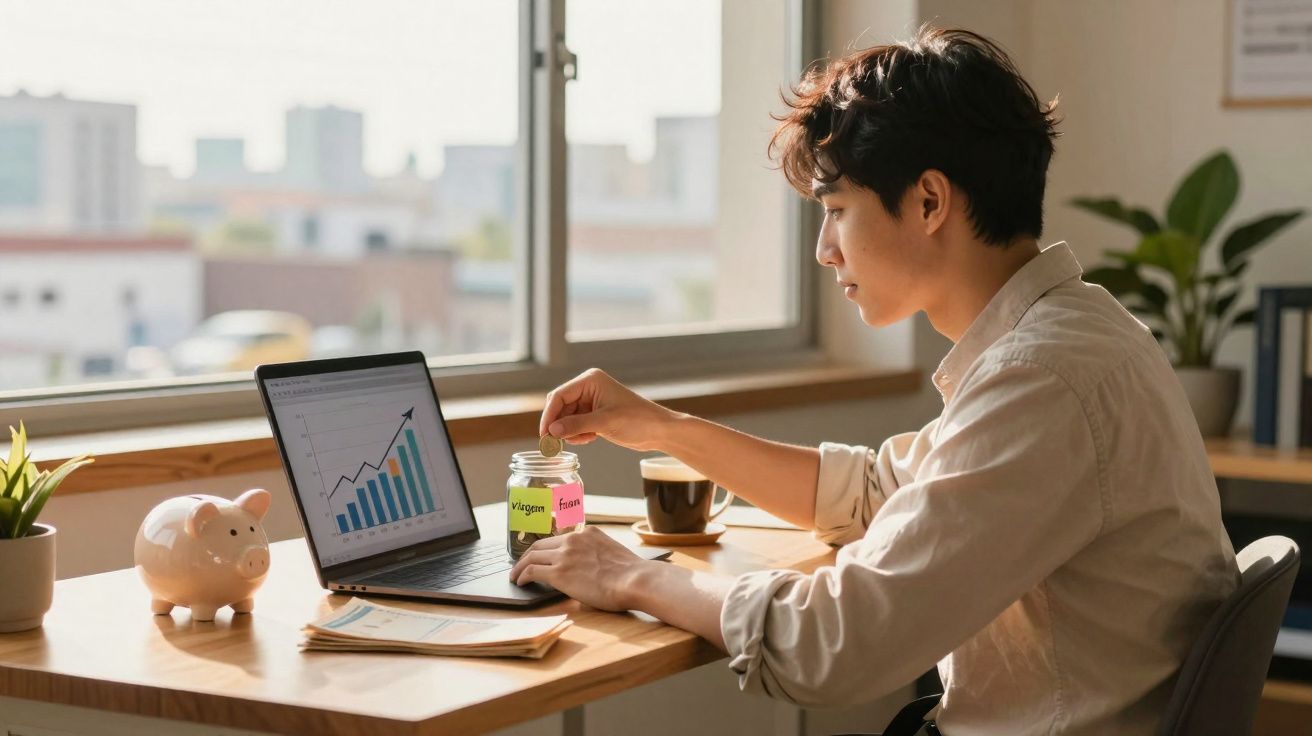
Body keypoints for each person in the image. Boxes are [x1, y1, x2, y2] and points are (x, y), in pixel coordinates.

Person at [509, 26, 1238, 735]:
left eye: (836, 212)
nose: (826, 251)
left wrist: (632, 575)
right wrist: (662, 428)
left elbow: (836, 646)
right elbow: (877, 494)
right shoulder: (1077, 333)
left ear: (928, 202)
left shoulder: (1041, 378)